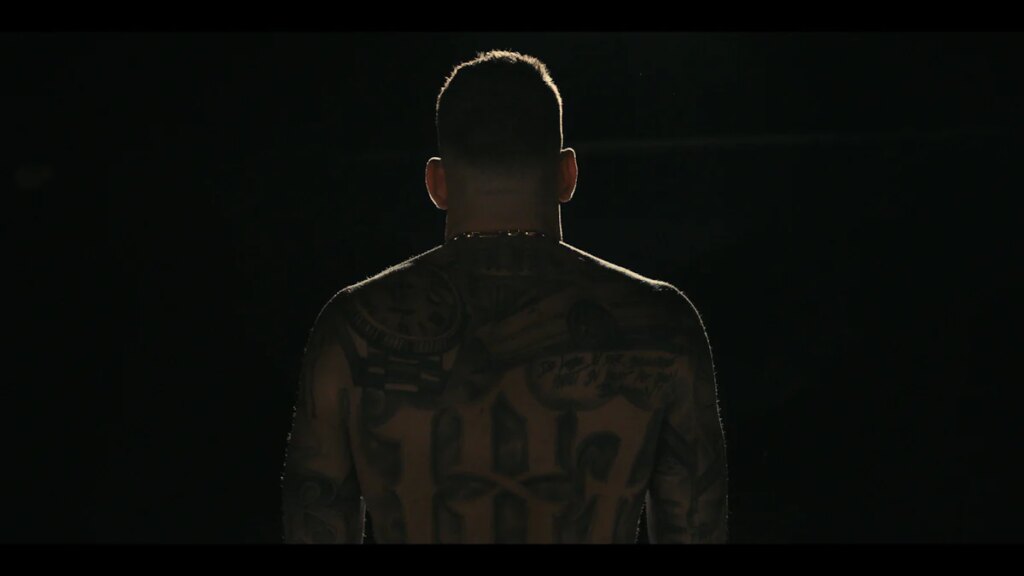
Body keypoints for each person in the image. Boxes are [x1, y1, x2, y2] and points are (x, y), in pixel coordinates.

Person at [281, 50, 728, 544]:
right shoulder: (662, 326)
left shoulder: (351, 331)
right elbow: (697, 528)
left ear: (437, 183)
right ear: (567, 174)